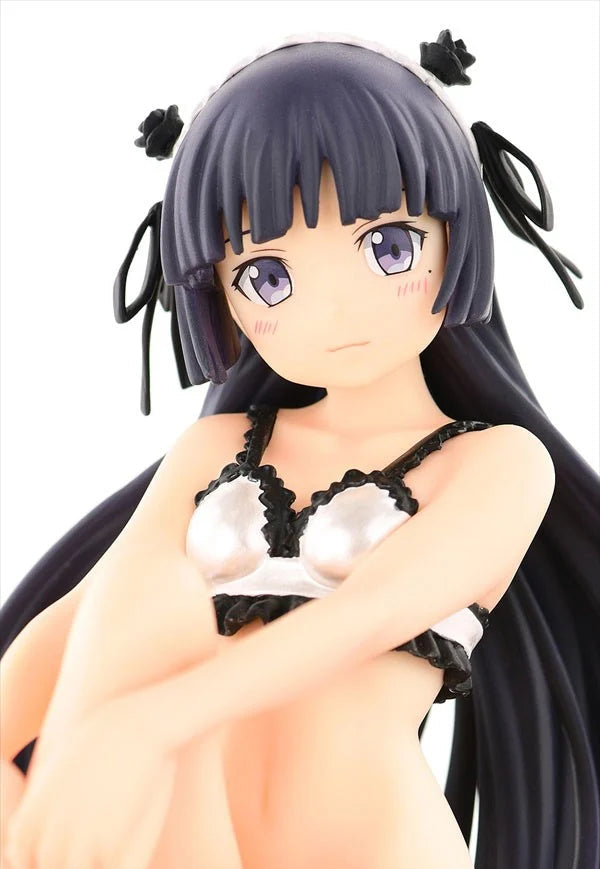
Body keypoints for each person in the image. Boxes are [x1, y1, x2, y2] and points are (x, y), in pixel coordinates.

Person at [1, 30, 599, 869]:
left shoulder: (496, 463)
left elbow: (365, 616)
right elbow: (88, 618)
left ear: (457, 234)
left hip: (370, 844)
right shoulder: (215, 448)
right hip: (202, 839)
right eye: (269, 277)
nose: (334, 311)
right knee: (152, 596)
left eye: (388, 247)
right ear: (219, 295)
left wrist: (146, 724)